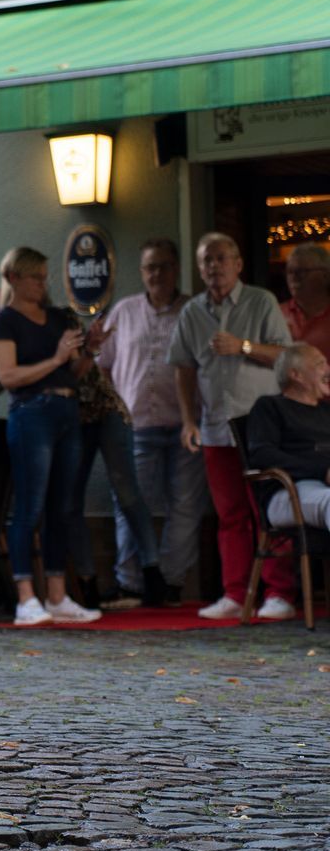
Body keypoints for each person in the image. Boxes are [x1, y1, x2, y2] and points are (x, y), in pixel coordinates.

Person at [0, 336, 165, 609]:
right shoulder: (3, 336)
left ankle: (153, 574)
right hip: (70, 422)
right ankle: (88, 585)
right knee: (70, 503)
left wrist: (83, 352)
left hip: (104, 411)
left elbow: (78, 368)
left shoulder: (52, 325)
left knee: (127, 493)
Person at [0, 247, 103, 626]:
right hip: (31, 414)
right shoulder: (4, 323)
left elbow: (73, 373)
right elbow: (9, 376)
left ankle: (58, 595)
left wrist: (89, 350)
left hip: (66, 410)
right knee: (30, 505)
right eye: (35, 277)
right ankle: (26, 596)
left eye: (45, 277)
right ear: (13, 277)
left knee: (63, 505)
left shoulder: (58, 318)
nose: (42, 284)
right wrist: (57, 359)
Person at [170, 232, 291, 621]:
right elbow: (184, 370)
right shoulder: (192, 312)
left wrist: (242, 346)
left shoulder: (262, 301)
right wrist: (188, 420)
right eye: (207, 260)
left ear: (238, 264)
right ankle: (236, 593)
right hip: (217, 428)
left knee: (270, 510)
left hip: (261, 427)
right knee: (231, 514)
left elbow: (285, 356)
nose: (214, 266)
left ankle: (278, 593)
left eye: (222, 258)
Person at [94, 238, 207, 599]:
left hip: (187, 427)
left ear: (176, 269)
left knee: (186, 506)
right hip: (135, 426)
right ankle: (130, 582)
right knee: (129, 503)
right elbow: (103, 369)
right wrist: (114, 411)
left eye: (164, 266)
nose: (157, 273)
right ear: (141, 273)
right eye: (149, 267)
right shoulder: (123, 313)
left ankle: (170, 582)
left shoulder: (195, 311)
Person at [245, 343, 330, 537]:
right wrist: (322, 472)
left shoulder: (327, 411)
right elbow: (262, 454)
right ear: (296, 375)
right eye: (320, 364)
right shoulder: (270, 407)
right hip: (289, 489)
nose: (328, 369)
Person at [281, 243, 330, 360]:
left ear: (325, 274)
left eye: (301, 271)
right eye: (289, 271)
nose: (293, 277)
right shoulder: (276, 313)